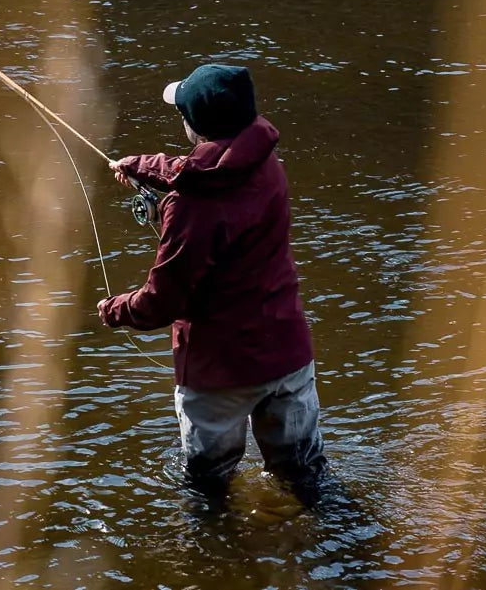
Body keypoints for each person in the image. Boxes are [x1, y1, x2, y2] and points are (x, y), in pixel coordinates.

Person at [97, 63, 326, 504]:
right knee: (306, 481)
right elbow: (205, 169)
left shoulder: (189, 206)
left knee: (208, 491)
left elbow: (162, 302)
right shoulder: (266, 163)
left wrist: (115, 309)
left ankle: (212, 563)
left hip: (218, 373)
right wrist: (144, 166)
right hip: (287, 355)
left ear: (194, 125)